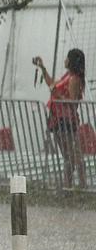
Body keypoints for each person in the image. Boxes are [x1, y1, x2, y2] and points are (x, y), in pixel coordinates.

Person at [34, 50, 87, 189]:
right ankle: (70, 186)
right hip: (58, 119)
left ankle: (78, 186)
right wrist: (43, 68)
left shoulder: (74, 79)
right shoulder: (67, 76)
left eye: (67, 58)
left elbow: (73, 101)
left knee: (74, 157)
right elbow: (52, 84)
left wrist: (57, 95)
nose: (65, 60)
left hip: (66, 120)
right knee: (70, 157)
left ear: (72, 61)